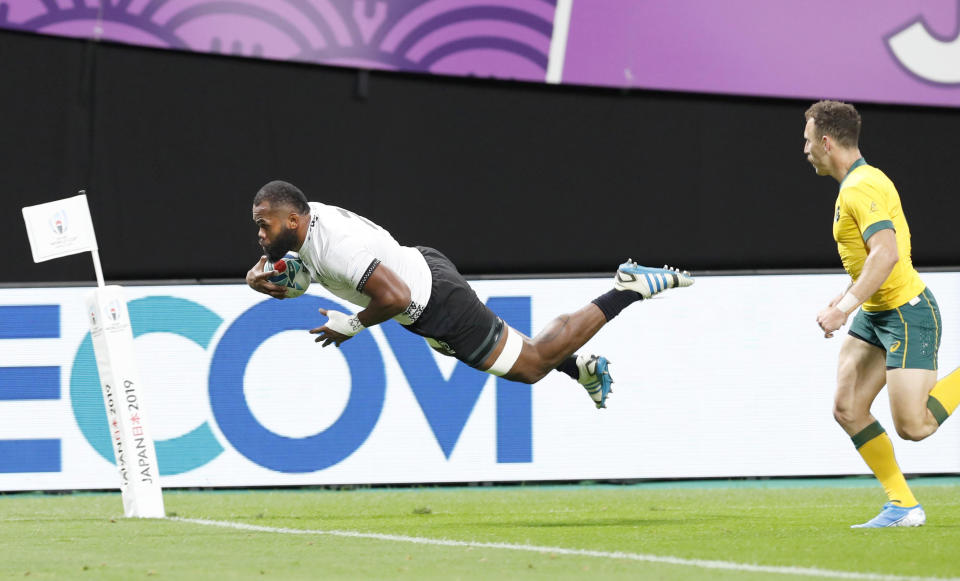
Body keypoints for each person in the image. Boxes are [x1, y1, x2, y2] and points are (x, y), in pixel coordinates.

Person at [245, 180, 693, 408]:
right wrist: (267, 282)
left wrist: (353, 325)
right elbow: (302, 276)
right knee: (493, 351)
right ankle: (579, 368)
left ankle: (625, 290)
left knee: (531, 365)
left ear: (290, 221)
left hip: (431, 300)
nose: (259, 234)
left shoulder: (336, 247)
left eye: (264, 225)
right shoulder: (308, 223)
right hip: (426, 273)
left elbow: (395, 297)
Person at [804, 100, 960, 527]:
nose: (804, 150)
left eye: (807, 140)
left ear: (826, 141)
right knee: (847, 407)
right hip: (877, 313)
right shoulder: (859, 184)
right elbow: (869, 261)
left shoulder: (860, 187)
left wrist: (843, 310)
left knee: (915, 425)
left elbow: (886, 254)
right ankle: (904, 506)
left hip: (908, 313)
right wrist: (843, 302)